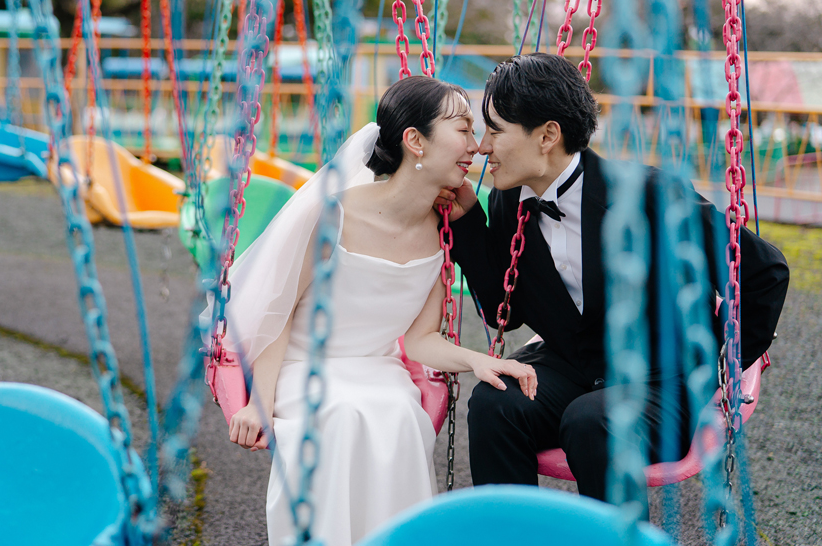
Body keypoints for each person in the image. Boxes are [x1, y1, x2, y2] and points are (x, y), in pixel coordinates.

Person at [437, 52, 790, 502]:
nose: (483, 147)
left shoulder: (648, 195)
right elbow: (503, 314)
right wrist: (467, 225)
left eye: (495, 130)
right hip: (576, 368)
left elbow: (763, 272)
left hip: (660, 380)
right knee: (494, 404)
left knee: (593, 420)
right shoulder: (511, 204)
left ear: (547, 135)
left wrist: (721, 361)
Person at [220, 76, 538, 545]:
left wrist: (476, 360)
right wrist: (256, 405)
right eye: (464, 129)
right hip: (306, 366)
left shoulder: (440, 231)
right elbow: (278, 317)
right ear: (415, 141)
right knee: (342, 416)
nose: (477, 146)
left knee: (398, 415)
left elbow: (419, 340)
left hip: (379, 370)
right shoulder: (332, 216)